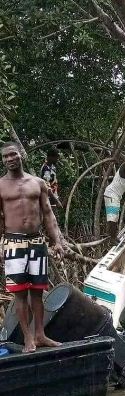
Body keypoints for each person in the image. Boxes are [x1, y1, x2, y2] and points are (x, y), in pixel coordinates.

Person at [0, 142, 65, 353]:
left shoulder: (37, 183)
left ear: (21, 155)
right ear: (3, 160)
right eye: (6, 157)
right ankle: (28, 338)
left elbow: (48, 213)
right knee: (20, 293)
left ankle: (40, 334)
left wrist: (57, 241)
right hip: (13, 241)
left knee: (38, 291)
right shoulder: (0, 185)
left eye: (13, 154)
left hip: (37, 241)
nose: (10, 159)